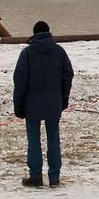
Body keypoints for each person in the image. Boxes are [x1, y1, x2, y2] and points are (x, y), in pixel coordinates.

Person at [12, 20, 74, 188]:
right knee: (53, 138)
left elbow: (20, 81)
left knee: (34, 140)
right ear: (48, 32)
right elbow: (68, 75)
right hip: (54, 102)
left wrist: (18, 104)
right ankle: (54, 177)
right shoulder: (59, 51)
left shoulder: (27, 53)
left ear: (34, 34)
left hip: (32, 104)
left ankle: (36, 176)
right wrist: (63, 98)